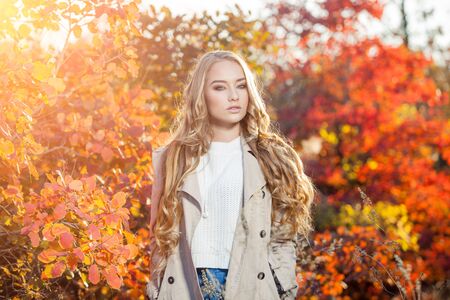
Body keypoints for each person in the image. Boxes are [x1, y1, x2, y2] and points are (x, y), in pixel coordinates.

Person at [146, 50, 316, 300]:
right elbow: (158, 234)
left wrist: (283, 288)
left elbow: (282, 238)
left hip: (250, 282)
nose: (234, 96)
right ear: (201, 95)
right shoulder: (172, 158)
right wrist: (157, 288)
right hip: (186, 284)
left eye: (241, 86)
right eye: (219, 87)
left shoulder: (271, 157)